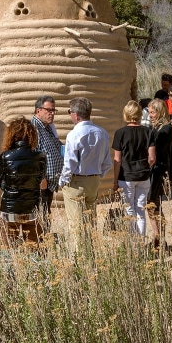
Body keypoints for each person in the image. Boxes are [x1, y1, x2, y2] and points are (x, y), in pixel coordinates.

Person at [58, 97, 112, 254]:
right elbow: (107, 162)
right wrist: (97, 176)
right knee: (90, 222)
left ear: (75, 114)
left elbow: (69, 163)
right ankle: (90, 255)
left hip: (76, 181)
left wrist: (63, 181)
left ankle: (79, 262)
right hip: (93, 181)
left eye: (69, 112)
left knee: (76, 225)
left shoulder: (74, 134)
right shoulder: (101, 133)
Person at [0, 116, 47, 247]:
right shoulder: (40, 157)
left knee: (11, 249)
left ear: (11, 135)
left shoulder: (5, 156)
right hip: (32, 207)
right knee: (35, 249)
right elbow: (41, 180)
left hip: (10, 209)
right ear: (32, 135)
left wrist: (8, 186)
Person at [112, 101, 154, 236]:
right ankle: (141, 243)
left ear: (126, 114)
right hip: (143, 175)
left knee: (129, 210)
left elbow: (117, 160)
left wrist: (115, 181)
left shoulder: (120, 133)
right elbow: (152, 158)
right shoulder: (148, 132)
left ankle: (133, 245)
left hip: (126, 176)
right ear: (140, 114)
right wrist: (145, 168)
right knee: (140, 209)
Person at [31, 94, 63, 221]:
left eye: (53, 110)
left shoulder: (48, 127)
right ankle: (41, 239)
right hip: (42, 183)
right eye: (48, 110)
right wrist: (41, 178)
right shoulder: (34, 128)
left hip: (49, 183)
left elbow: (57, 147)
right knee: (41, 214)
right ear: (38, 110)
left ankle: (44, 238)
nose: (52, 113)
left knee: (45, 213)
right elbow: (33, 156)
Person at [147, 99, 172, 244]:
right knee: (153, 204)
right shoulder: (157, 128)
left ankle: (159, 237)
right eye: (149, 112)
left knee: (152, 204)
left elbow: (156, 150)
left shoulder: (165, 129)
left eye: (152, 112)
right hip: (157, 168)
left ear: (160, 112)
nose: (150, 115)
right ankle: (158, 236)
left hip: (159, 169)